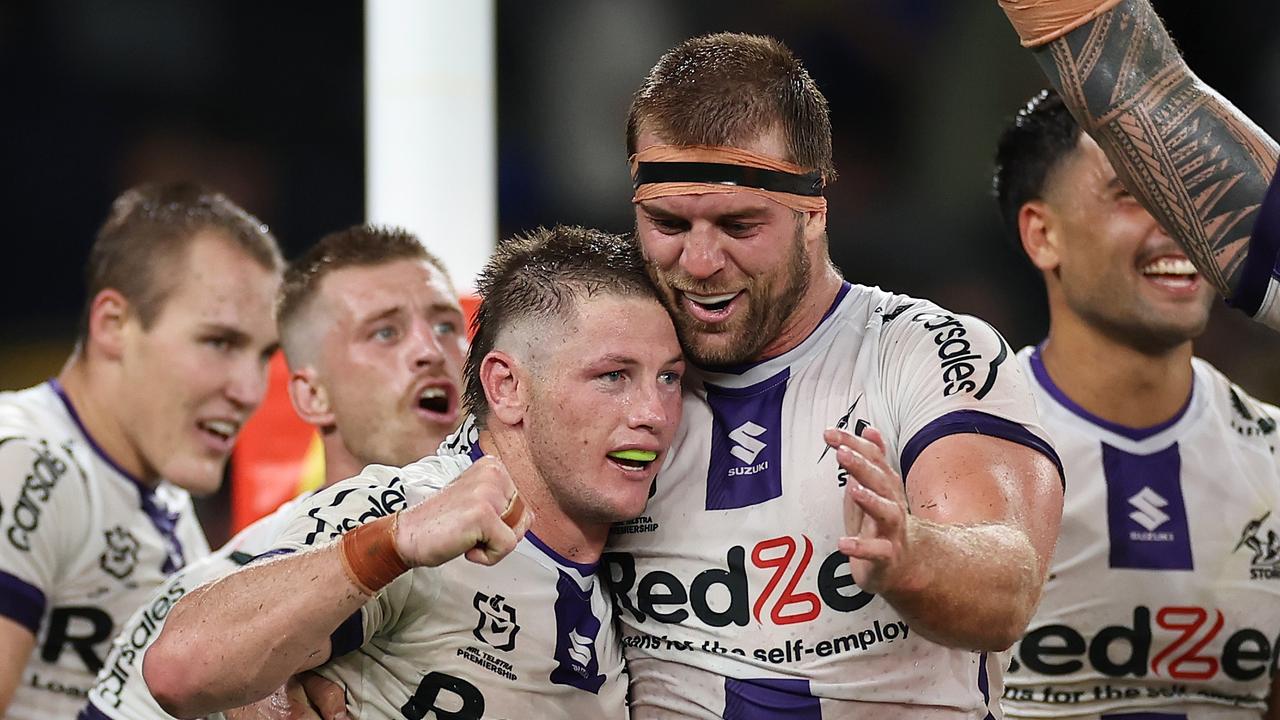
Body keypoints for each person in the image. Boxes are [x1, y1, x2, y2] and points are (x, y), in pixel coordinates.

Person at [603, 32, 1064, 718]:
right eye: (668, 222)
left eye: (738, 224)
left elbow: (1007, 587)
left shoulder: (928, 351)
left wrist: (912, 556)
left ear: (813, 210)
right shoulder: (602, 370)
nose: (699, 261)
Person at [143, 225, 684, 718]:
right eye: (613, 376)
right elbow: (178, 669)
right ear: (507, 387)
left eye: (669, 379)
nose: (652, 414)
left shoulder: (649, 555)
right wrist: (395, 543)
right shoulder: (407, 509)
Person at [79, 224, 468, 720]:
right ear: (313, 396)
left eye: (446, 326)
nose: (431, 352)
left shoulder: (568, 548)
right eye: (385, 332)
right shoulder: (208, 609)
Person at [993, 88, 1280, 719]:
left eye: (1194, 195)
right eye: (1135, 196)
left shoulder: (1275, 460)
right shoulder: (963, 448)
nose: (1180, 224)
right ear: (1043, 235)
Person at [0, 182, 283, 719]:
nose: (249, 390)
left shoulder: (165, 503)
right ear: (113, 325)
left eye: (264, 353)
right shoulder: (21, 461)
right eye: (219, 342)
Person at [996, 0, 1280, 331]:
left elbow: (1135, 88)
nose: (1167, 218)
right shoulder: (973, 379)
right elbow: (1136, 89)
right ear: (1042, 233)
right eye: (1132, 193)